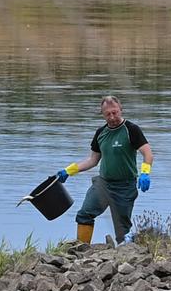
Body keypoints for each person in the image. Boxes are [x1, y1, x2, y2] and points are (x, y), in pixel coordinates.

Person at [56, 96, 153, 245]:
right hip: (103, 184)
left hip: (125, 186)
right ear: (103, 114)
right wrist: (68, 171)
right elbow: (92, 161)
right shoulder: (100, 133)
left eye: (115, 112)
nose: (112, 117)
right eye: (108, 114)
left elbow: (147, 153)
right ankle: (81, 250)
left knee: (122, 232)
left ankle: (128, 251)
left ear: (121, 109)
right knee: (84, 214)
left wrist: (145, 173)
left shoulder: (131, 130)